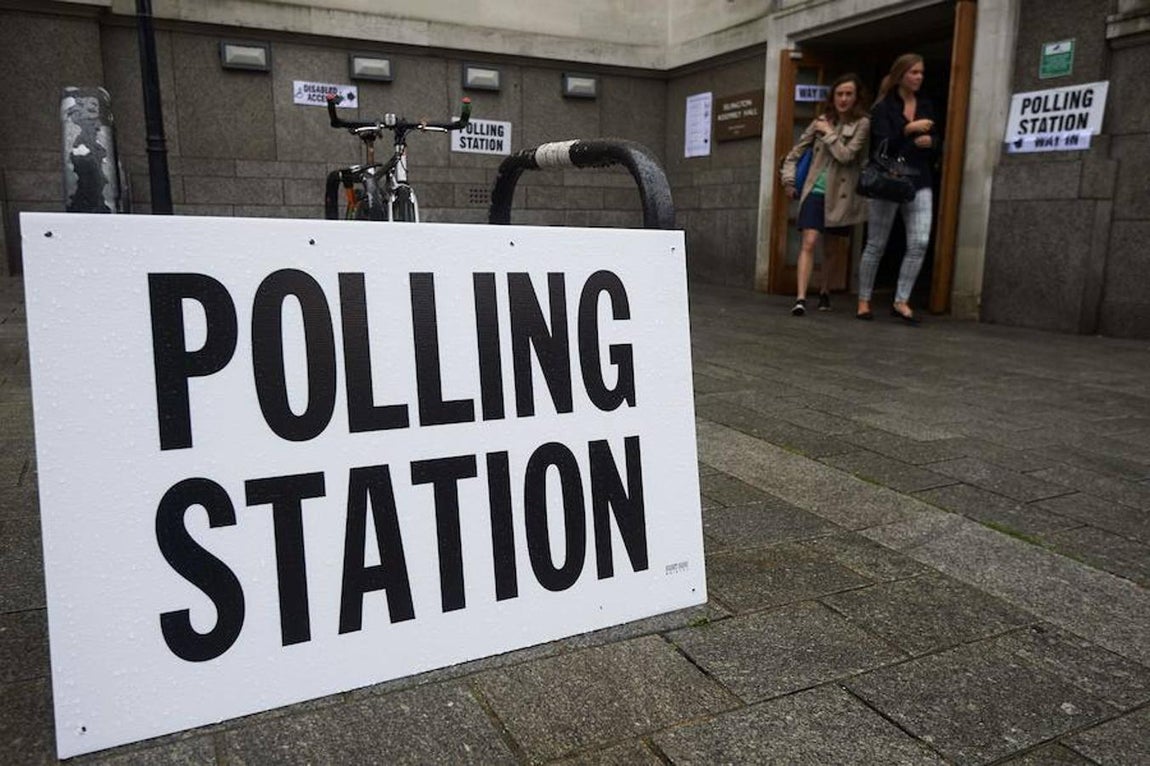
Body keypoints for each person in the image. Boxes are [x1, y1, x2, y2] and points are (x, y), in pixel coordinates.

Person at [856, 53, 939, 324]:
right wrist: (908, 130)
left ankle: (901, 300)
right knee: (876, 243)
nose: (919, 77)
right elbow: (881, 146)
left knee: (920, 242)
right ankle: (864, 299)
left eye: (921, 73)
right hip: (888, 180)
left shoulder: (926, 104)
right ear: (901, 74)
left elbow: (939, 139)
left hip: (920, 179)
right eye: (914, 72)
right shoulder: (883, 108)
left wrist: (932, 142)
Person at [780, 73, 871, 316]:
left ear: (856, 97)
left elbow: (847, 155)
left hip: (841, 194)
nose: (843, 99)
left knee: (831, 247)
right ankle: (800, 298)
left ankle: (825, 290)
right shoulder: (820, 121)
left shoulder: (862, 124)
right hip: (815, 190)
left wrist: (829, 133)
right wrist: (789, 180)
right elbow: (795, 153)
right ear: (833, 97)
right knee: (809, 242)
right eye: (839, 94)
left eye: (848, 94)